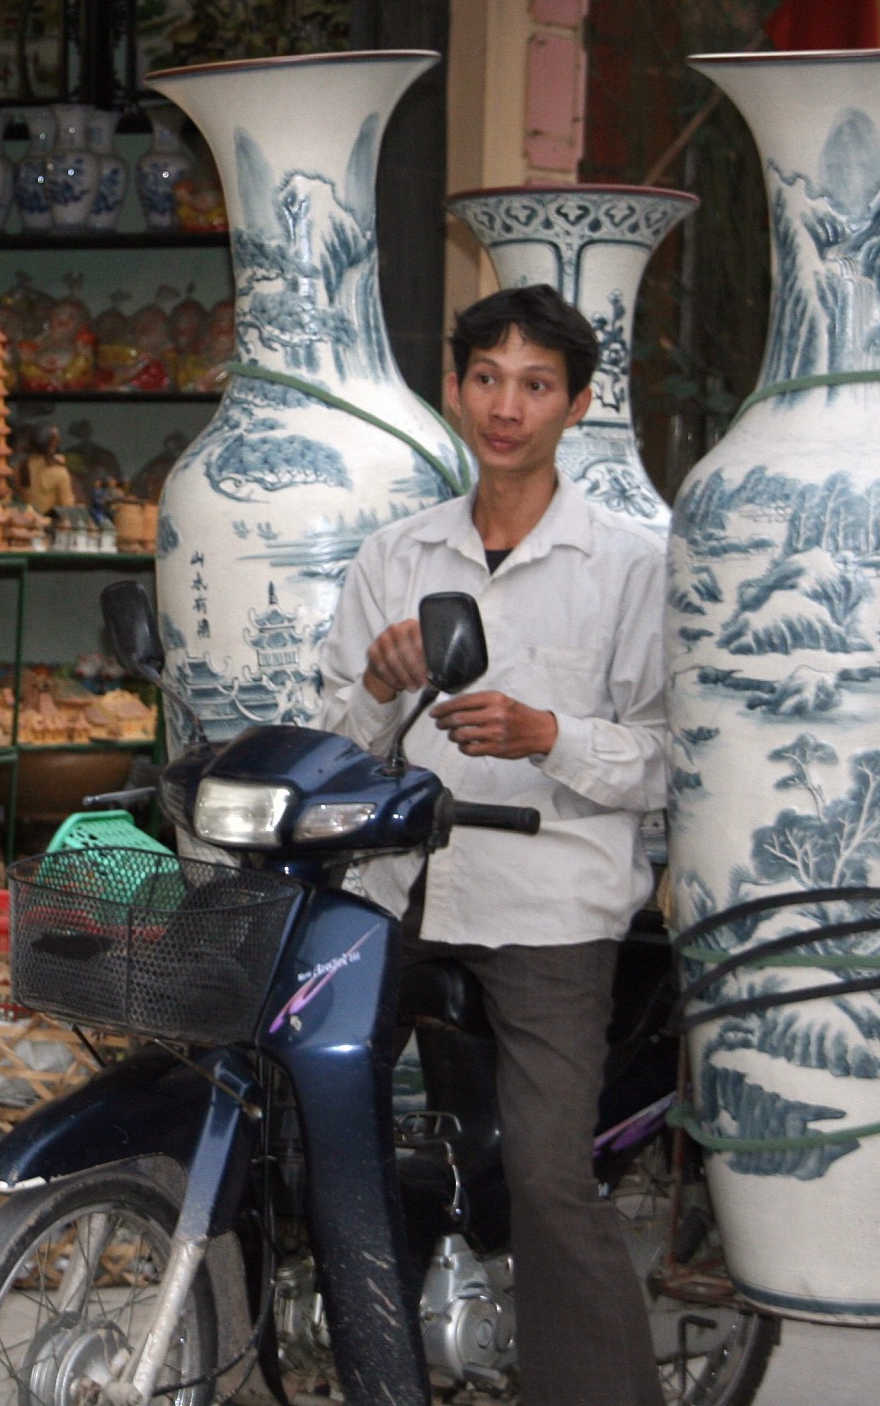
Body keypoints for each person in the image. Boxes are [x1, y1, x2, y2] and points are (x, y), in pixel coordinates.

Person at [316, 283, 668, 1406]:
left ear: (576, 402)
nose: (505, 406)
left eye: (535, 384)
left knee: (554, 1185)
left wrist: (547, 735)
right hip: (396, 893)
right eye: (485, 377)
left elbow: (667, 759)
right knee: (300, 1120)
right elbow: (330, 749)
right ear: (455, 384)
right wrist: (377, 683)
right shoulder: (396, 553)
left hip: (549, 905)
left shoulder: (627, 565)